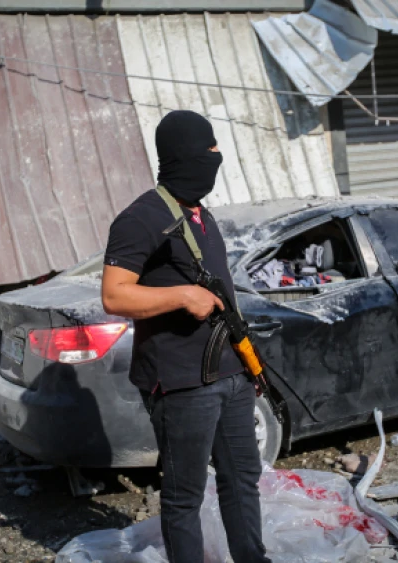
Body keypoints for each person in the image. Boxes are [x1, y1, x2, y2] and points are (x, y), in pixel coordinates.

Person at [101, 110, 270, 563]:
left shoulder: (200, 215)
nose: (216, 157)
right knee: (184, 496)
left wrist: (247, 363)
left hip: (231, 375)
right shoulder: (140, 218)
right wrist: (181, 297)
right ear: (181, 155)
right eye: (208, 149)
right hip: (181, 384)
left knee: (242, 479)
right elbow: (114, 297)